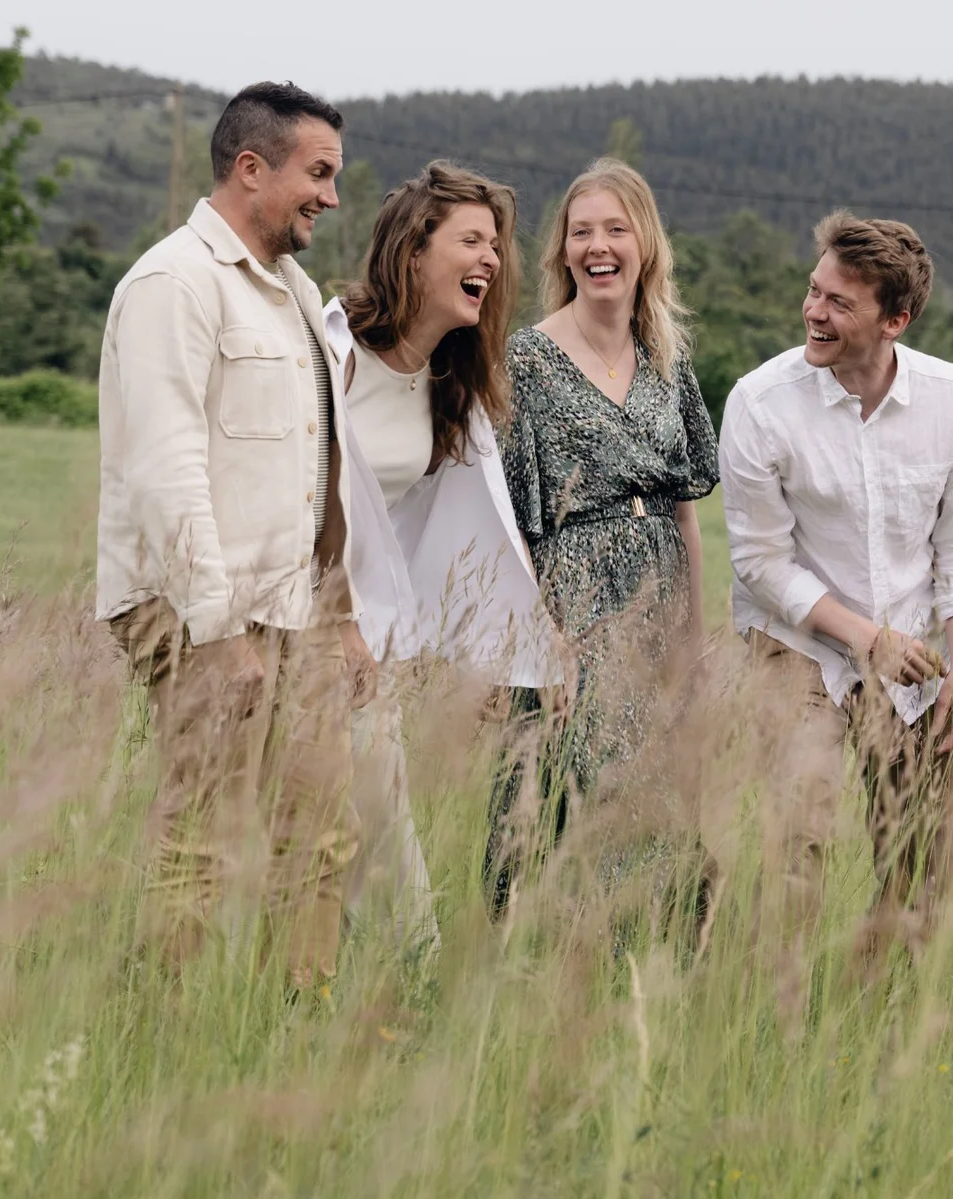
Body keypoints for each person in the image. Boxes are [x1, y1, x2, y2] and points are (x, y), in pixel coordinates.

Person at [96, 82, 371, 989]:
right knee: (202, 842)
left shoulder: (293, 293)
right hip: (197, 614)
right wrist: (217, 633)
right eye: (318, 173)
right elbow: (164, 468)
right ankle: (160, 1045)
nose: (333, 196)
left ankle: (295, 1026)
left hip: (297, 610)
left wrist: (342, 611)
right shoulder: (174, 282)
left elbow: (316, 467)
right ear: (251, 169)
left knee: (324, 834)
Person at [717, 211, 953, 966]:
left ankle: (882, 1024)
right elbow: (760, 562)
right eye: (814, 291)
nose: (814, 311)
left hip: (915, 652)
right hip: (798, 641)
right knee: (797, 841)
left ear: (895, 319)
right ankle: (781, 1017)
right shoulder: (759, 401)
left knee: (922, 857)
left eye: (840, 302)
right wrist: (869, 640)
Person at [320, 161, 562, 956]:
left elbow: (471, 531)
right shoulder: (335, 349)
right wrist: (338, 622)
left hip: (365, 654)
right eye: (471, 240)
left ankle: (379, 996)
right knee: (312, 830)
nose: (492, 259)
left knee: (380, 830)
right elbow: (293, 501)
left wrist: (496, 659)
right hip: (306, 627)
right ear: (414, 253)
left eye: (496, 245)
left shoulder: (447, 382)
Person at [485, 158, 719, 917]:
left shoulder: (668, 361)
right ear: (562, 252)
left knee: (659, 802)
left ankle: (648, 979)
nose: (599, 245)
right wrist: (540, 635)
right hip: (571, 608)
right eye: (582, 231)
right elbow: (512, 518)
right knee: (560, 803)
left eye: (616, 228)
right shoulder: (526, 359)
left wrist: (692, 637)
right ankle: (536, 974)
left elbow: (685, 508)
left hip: (658, 603)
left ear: (644, 244)